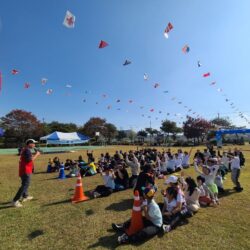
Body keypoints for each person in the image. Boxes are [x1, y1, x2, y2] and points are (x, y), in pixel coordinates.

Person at [12, 139, 40, 208]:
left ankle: (25, 196)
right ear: (29, 144)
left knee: (25, 184)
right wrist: (37, 154)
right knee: (24, 185)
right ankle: (15, 200)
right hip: (25, 170)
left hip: (24, 170)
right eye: (33, 143)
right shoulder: (27, 150)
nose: (34, 145)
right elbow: (30, 160)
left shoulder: (25, 149)